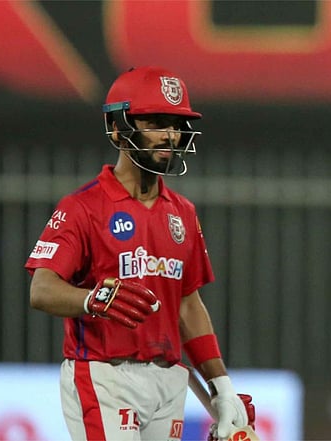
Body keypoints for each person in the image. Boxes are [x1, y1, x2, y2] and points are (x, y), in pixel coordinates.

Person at [25, 66, 249, 441]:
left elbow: (188, 305)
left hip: (169, 379)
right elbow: (41, 290)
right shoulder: (83, 207)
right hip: (105, 375)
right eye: (156, 122)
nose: (170, 136)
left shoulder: (183, 213)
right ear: (117, 128)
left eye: (176, 124)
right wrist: (93, 299)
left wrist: (221, 385)